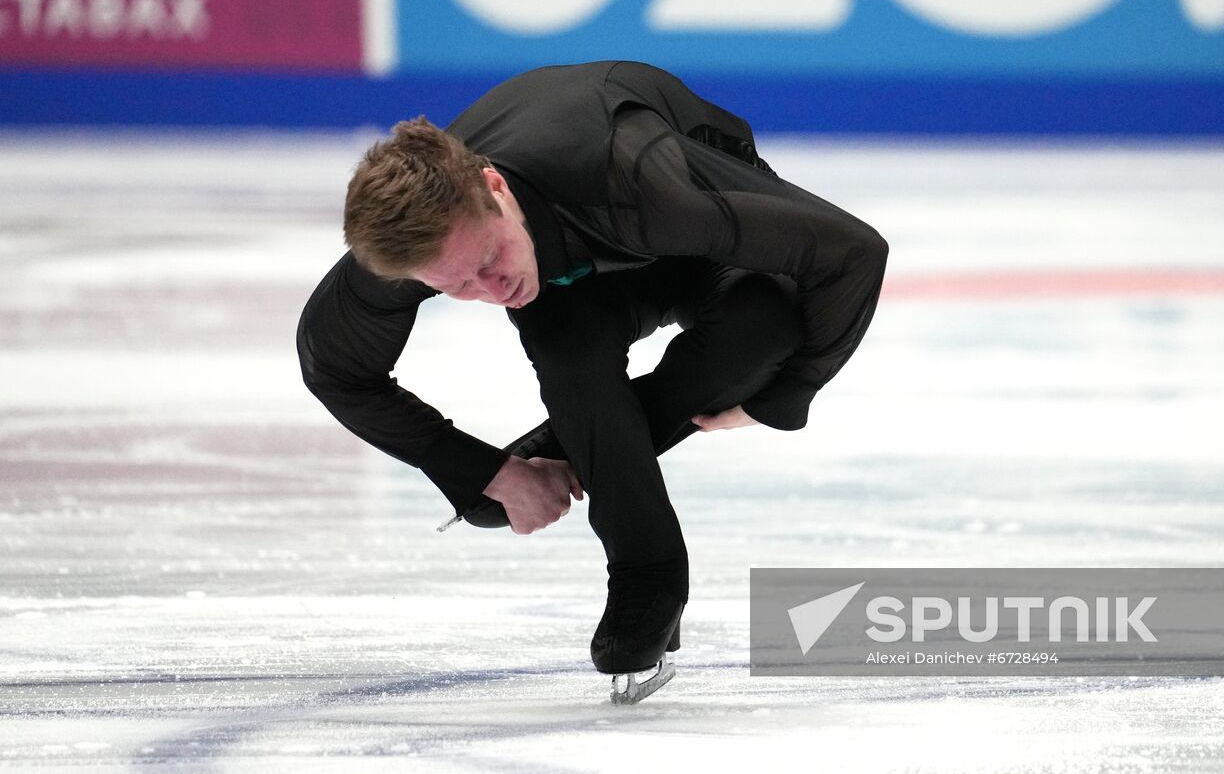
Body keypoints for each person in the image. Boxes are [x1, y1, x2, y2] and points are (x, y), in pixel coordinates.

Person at [296, 60, 887, 699]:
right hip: (574, 279)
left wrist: (785, 395)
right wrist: (487, 474)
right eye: (455, 286)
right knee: (570, 352)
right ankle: (647, 574)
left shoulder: (641, 182)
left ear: (493, 186)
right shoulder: (412, 247)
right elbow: (334, 368)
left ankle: (575, 445)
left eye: (491, 259)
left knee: (760, 335)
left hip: (678, 229)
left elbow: (855, 251)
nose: (491, 291)